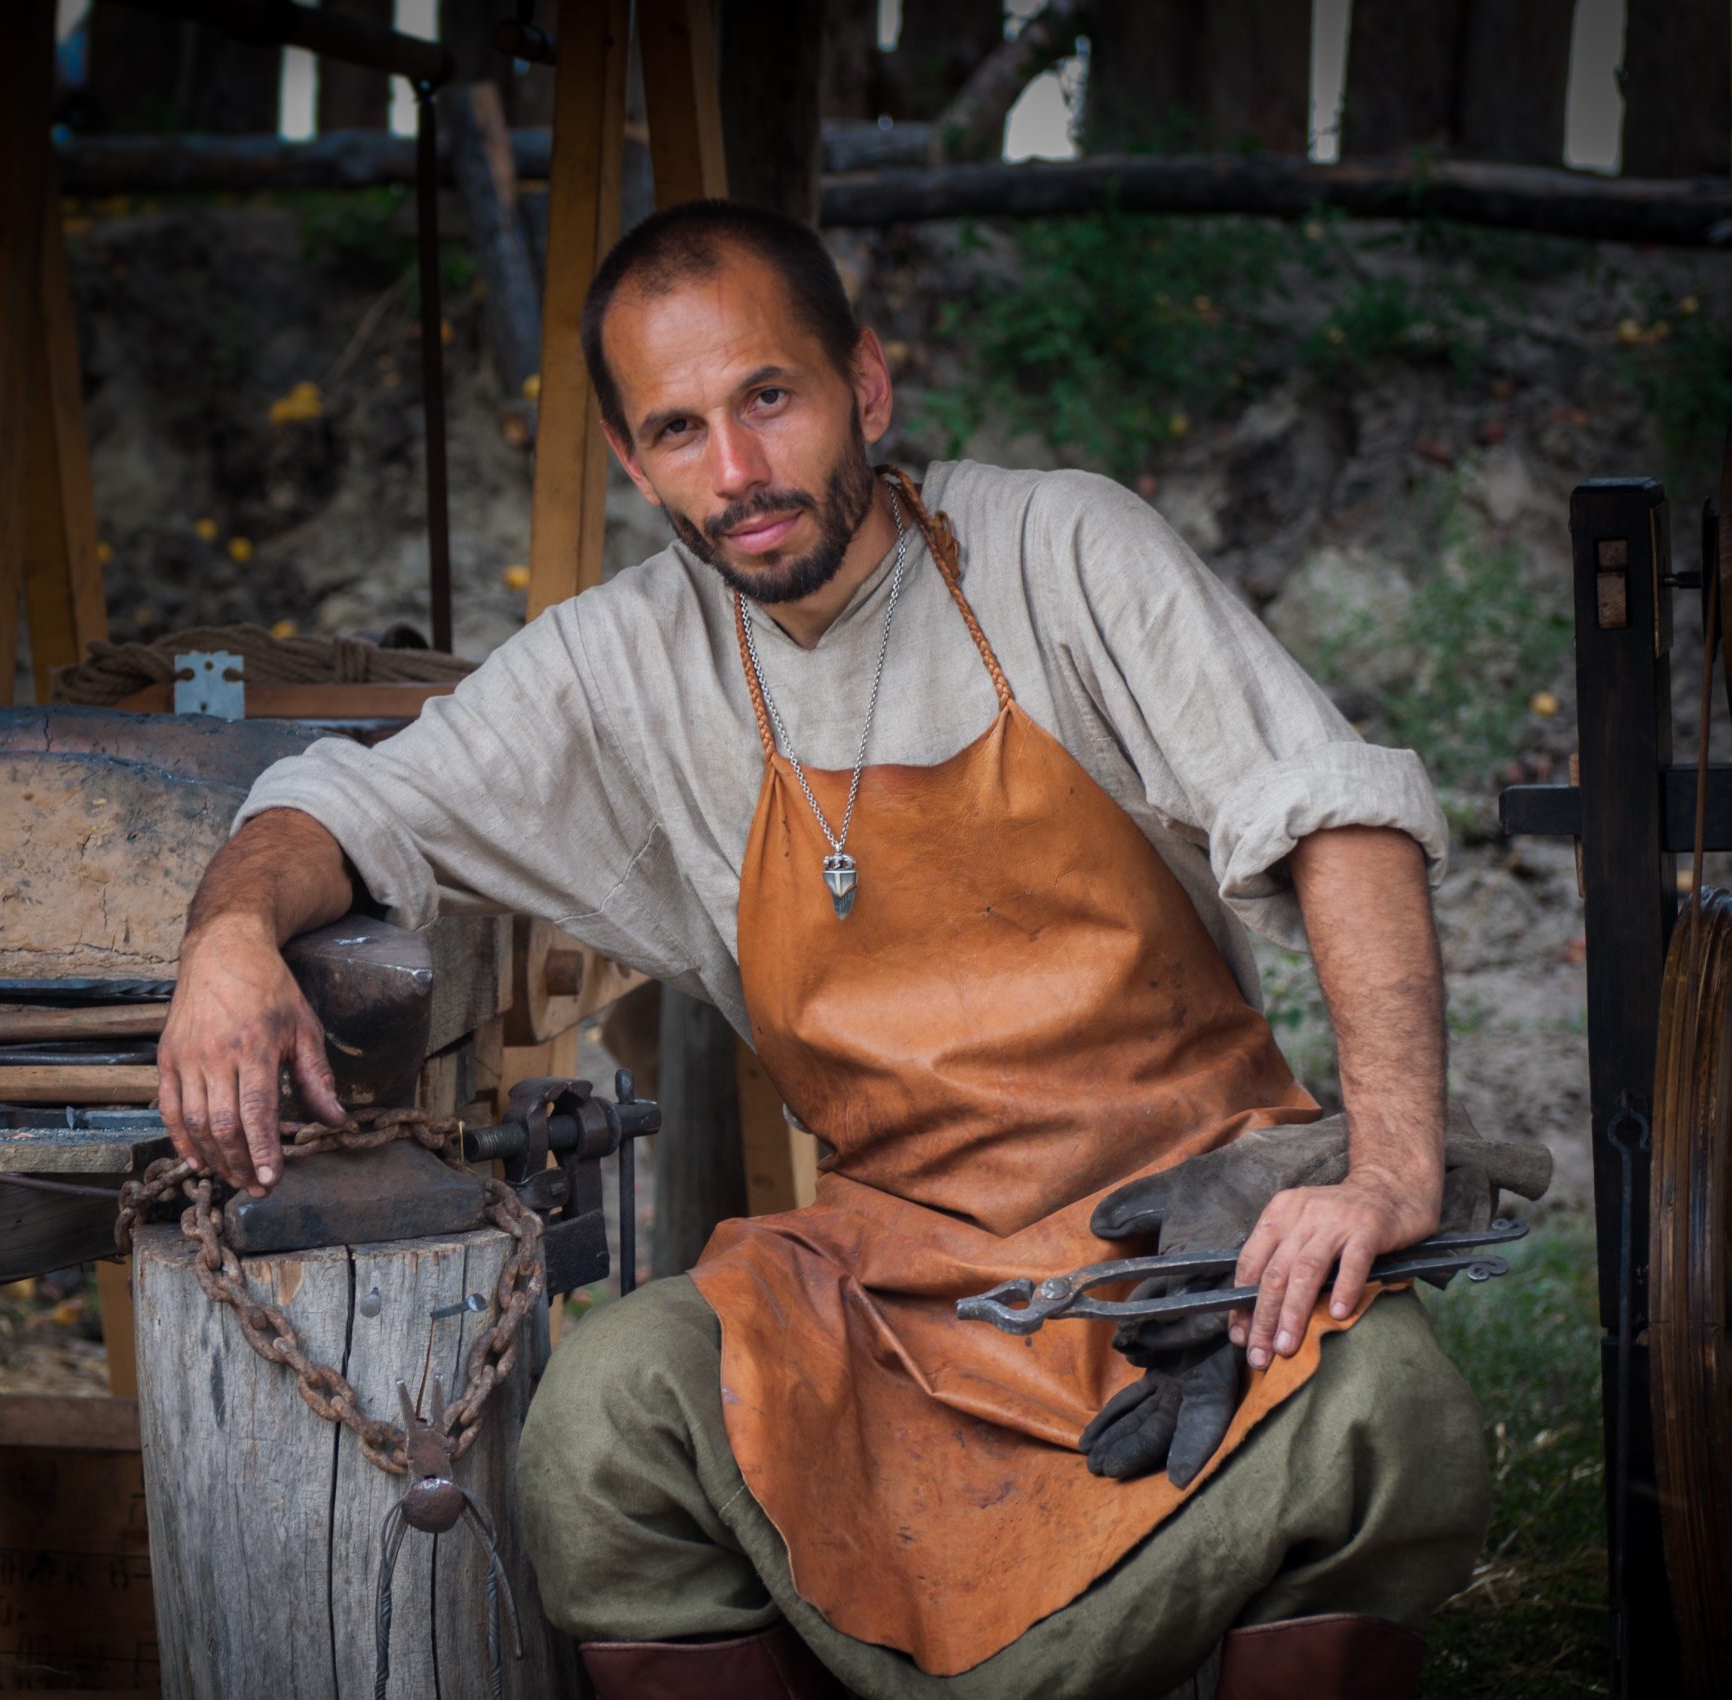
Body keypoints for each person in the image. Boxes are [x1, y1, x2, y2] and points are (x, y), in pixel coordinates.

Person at [158, 200, 1490, 1699]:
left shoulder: (1060, 551)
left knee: (1393, 1403)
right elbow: (348, 801)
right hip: (895, 1282)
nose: (736, 475)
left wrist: (1383, 1168)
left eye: (768, 399)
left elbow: (1338, 817)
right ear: (630, 459)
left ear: (866, 383)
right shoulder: (625, 667)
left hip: (1181, 1253)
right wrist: (230, 932)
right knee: (607, 1417)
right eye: (679, 431)